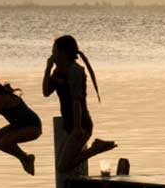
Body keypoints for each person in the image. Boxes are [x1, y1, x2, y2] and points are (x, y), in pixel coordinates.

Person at [42, 35, 116, 173]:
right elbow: (46, 92)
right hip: (69, 125)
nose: (52, 55)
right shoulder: (58, 72)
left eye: (54, 51)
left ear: (63, 53)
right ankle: (96, 146)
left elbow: (76, 101)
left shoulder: (75, 71)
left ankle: (96, 148)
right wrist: (48, 69)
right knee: (64, 163)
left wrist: (77, 127)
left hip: (81, 125)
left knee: (62, 167)